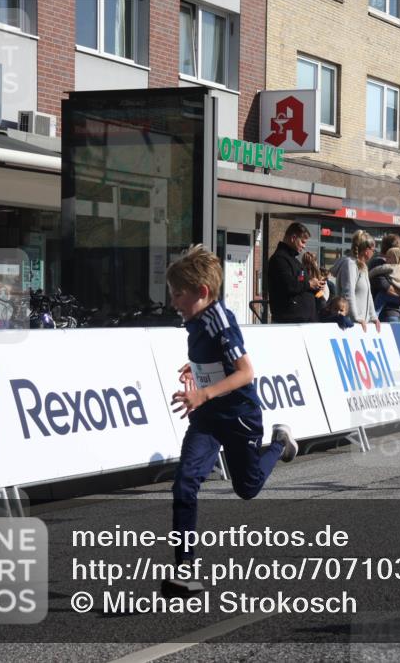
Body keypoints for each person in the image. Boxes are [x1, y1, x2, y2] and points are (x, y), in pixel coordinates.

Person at [163, 245, 297, 596]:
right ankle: (185, 571)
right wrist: (196, 368)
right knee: (184, 483)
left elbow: (246, 373)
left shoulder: (220, 322)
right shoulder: (195, 318)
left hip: (239, 415)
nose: (174, 302)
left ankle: (280, 443)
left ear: (202, 293)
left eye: (179, 295)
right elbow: (214, 360)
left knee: (247, 488)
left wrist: (203, 393)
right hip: (208, 418)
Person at [267, 222, 322, 323]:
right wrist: (309, 284)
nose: (304, 246)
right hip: (290, 322)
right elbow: (289, 285)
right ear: (293, 238)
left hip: (303, 321)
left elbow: (301, 283)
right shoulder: (279, 259)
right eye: (302, 242)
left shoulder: (294, 261)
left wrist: (316, 287)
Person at [332, 230, 380, 331]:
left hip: (361, 323)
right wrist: (356, 317)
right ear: (367, 250)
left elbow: (368, 295)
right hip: (350, 324)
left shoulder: (363, 267)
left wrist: (373, 317)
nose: (373, 253)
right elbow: (348, 293)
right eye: (373, 250)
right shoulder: (350, 265)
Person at [370, 247, 400, 323]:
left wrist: (369, 274)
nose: (386, 259)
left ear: (397, 259)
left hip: (388, 294)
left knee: (380, 297)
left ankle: (375, 315)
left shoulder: (390, 267)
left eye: (389, 257)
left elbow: (377, 270)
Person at [301, 251, 328, 317]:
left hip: (315, 306)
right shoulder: (302, 273)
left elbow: (324, 294)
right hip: (311, 306)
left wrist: (316, 295)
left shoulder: (319, 276)